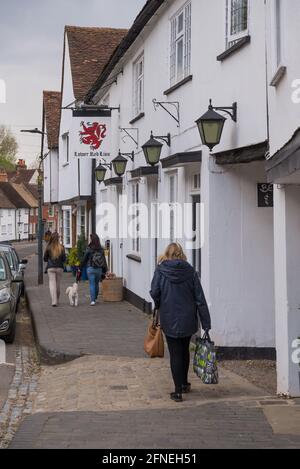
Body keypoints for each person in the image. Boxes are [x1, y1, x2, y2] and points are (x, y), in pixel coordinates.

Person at [150, 242, 211, 403]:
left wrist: (158, 303)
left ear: (167, 254)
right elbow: (199, 298)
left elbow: (154, 291)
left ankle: (177, 391)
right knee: (184, 350)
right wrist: (206, 322)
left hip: (169, 317)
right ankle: (184, 383)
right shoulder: (190, 272)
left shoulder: (161, 271)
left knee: (175, 353)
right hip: (188, 318)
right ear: (181, 254)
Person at [80, 234, 107, 306]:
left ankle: (92, 301)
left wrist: (80, 267)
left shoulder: (89, 249)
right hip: (99, 269)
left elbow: (84, 259)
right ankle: (95, 297)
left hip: (90, 268)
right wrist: (105, 270)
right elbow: (104, 260)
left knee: (92, 284)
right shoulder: (101, 249)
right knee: (96, 283)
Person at [43, 233, 66, 307]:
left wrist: (49, 258)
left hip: (51, 268)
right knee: (58, 284)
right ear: (58, 238)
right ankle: (57, 300)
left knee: (52, 284)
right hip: (59, 267)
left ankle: (54, 301)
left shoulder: (48, 247)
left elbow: (45, 259)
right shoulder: (61, 247)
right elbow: (64, 259)